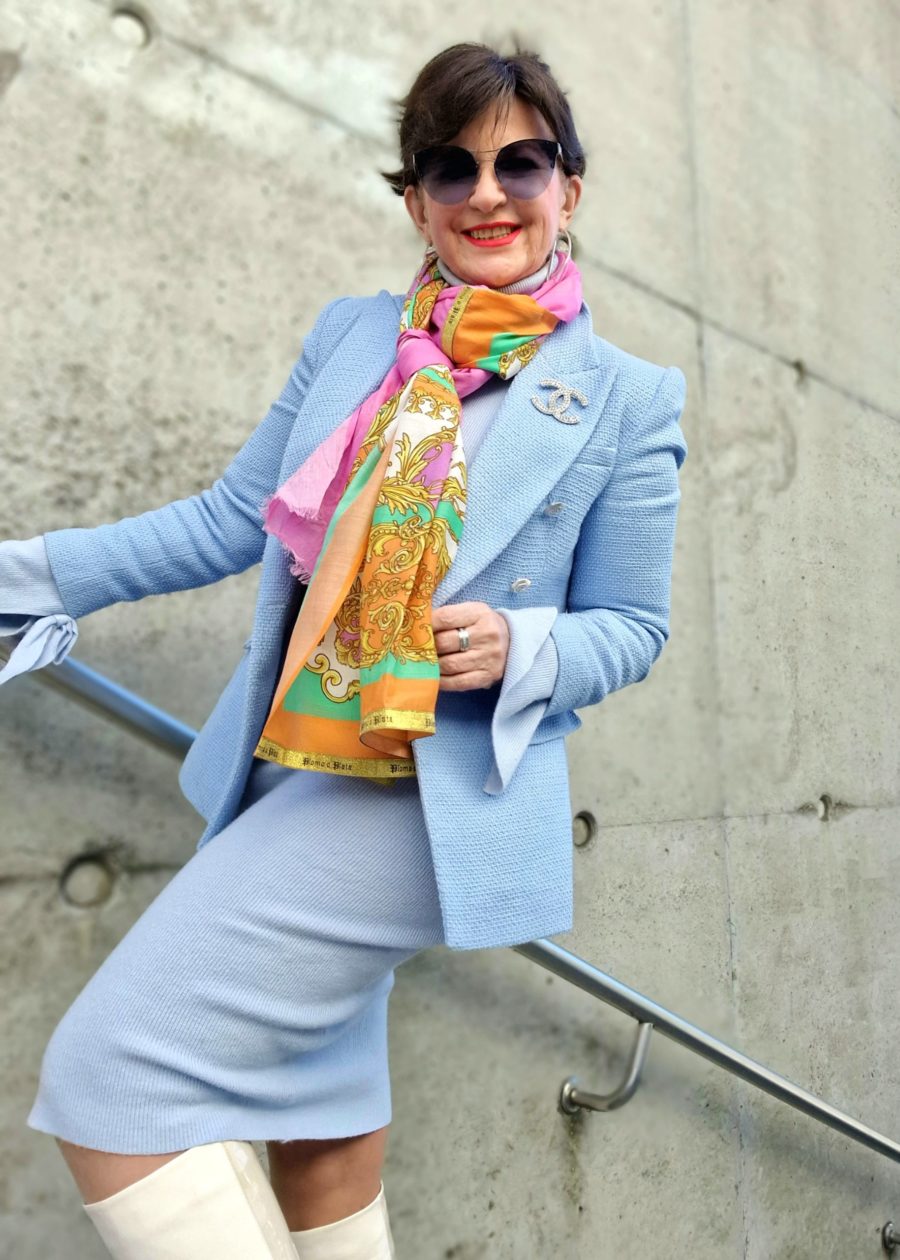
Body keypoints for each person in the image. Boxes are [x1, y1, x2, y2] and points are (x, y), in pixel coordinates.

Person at [0, 40, 688, 1260]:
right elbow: (231, 521)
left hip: (425, 798)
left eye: (522, 164)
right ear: (415, 199)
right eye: (450, 167)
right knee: (319, 1134)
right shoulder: (355, 337)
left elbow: (633, 627)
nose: (487, 194)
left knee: (112, 1077)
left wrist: (525, 645)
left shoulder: (627, 397)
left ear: (568, 188)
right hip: (290, 770)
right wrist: (24, 578)